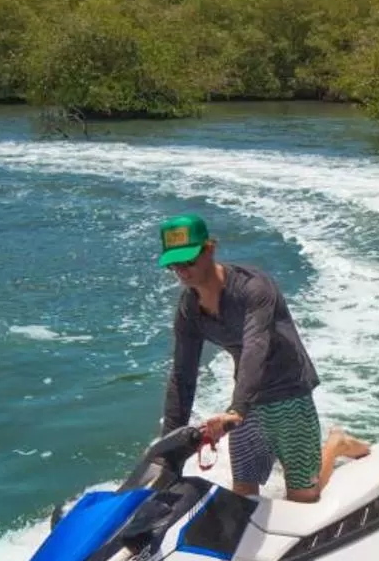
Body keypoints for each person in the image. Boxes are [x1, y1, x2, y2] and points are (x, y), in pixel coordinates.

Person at [155, 213, 365, 503]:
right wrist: (169, 448)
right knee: (243, 497)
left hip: (289, 391)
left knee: (304, 497)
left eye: (189, 260)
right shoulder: (189, 308)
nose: (183, 271)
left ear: (209, 248)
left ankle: (336, 444)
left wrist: (236, 409)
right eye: (174, 264)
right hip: (249, 398)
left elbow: (255, 346)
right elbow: (182, 376)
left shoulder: (254, 288)